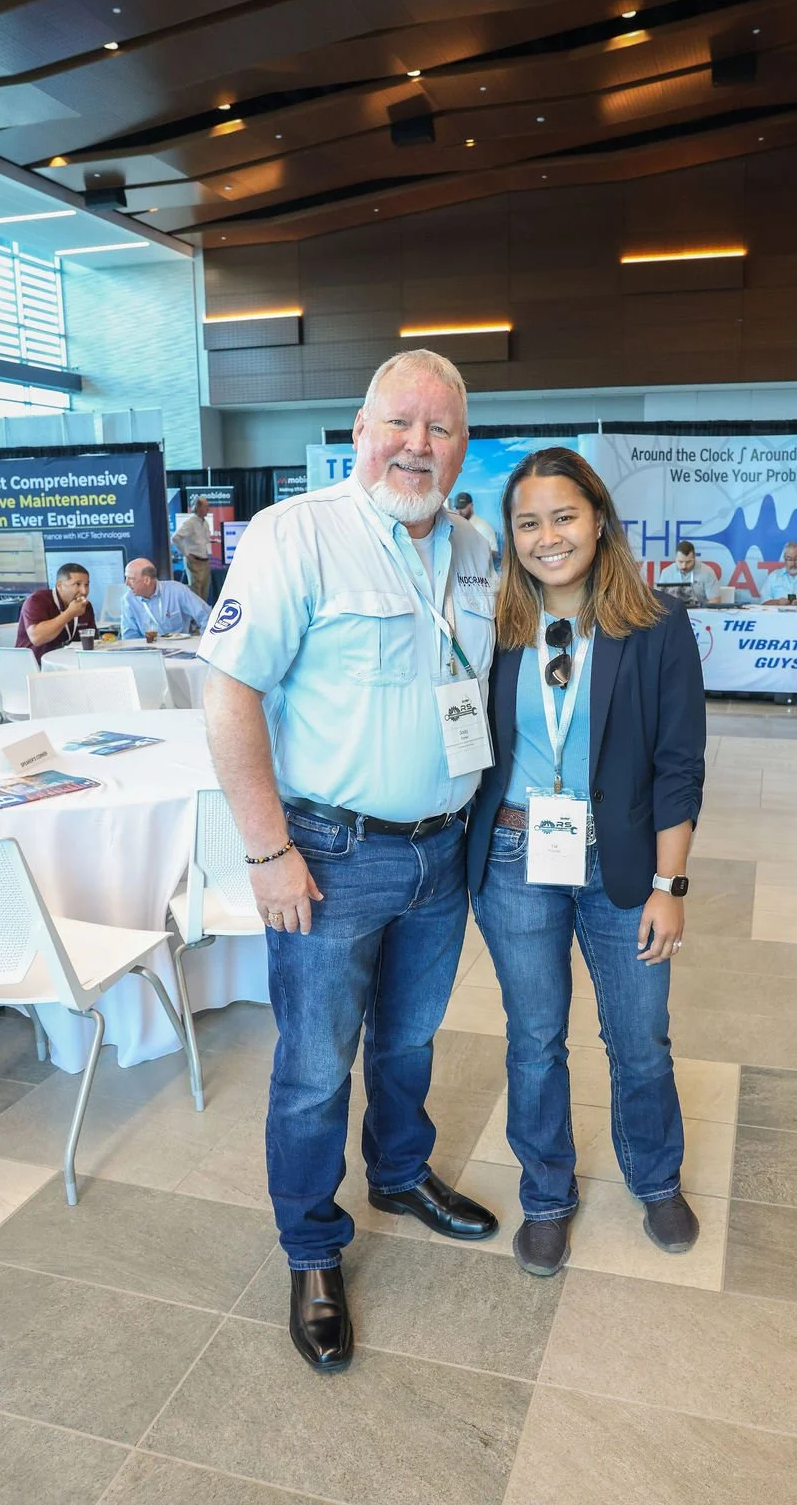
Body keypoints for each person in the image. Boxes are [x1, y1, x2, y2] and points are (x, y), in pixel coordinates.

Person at [200, 349, 499, 1376]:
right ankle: (312, 1247)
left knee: (409, 1043)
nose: (419, 444)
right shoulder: (297, 536)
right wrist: (266, 850)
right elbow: (228, 695)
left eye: (442, 428)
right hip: (328, 856)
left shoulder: (477, 547)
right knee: (316, 1065)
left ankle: (399, 1173)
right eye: (400, 423)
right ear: (360, 430)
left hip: (440, 853)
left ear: (464, 446)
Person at [467, 447, 706, 1277]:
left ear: (598, 520)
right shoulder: (493, 628)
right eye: (527, 522)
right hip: (513, 854)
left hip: (624, 861)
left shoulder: (656, 625)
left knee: (638, 1036)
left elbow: (679, 763)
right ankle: (546, 1194)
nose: (547, 537)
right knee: (534, 1037)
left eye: (563, 516)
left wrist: (670, 885)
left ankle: (655, 1176)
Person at [15, 562, 95, 664]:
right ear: (59, 585)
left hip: (69, 665)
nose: (84, 591)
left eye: (86, 585)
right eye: (77, 584)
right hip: (34, 665)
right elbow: (37, 638)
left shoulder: (85, 607)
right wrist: (69, 614)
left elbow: (92, 640)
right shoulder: (37, 601)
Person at [121, 558, 211, 638]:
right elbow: (129, 636)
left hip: (180, 649)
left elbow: (206, 616)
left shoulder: (177, 590)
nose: (126, 583)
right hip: (148, 651)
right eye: (126, 578)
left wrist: (205, 642)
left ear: (147, 580)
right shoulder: (128, 600)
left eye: (131, 579)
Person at [172, 496, 213, 601]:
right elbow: (175, 538)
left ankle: (203, 617)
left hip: (205, 562)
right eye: (206, 506)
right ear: (198, 508)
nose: (208, 509)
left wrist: (210, 554)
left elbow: (206, 540)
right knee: (196, 595)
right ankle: (195, 617)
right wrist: (187, 554)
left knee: (204, 593)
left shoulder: (205, 522)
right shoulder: (190, 523)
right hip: (195, 561)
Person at [658, 540, 717, 605]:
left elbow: (715, 602)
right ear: (675, 558)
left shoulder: (707, 572)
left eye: (688, 562)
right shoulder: (666, 573)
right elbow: (658, 600)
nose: (684, 566)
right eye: (680, 561)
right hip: (673, 612)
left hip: (699, 612)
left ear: (694, 558)